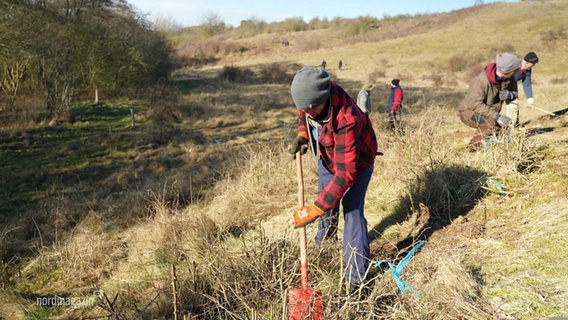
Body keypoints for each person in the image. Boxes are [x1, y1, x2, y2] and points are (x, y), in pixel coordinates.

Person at [288, 66, 378, 293]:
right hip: (329, 156)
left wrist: (315, 209)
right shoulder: (311, 95)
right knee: (326, 200)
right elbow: (303, 109)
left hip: (356, 163)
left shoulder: (347, 119)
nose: (306, 113)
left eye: (310, 109)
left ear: (322, 98)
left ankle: (356, 280)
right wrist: (302, 133)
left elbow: (346, 174)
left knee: (352, 210)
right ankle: (324, 247)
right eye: (304, 109)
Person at [458, 52, 521, 151]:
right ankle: (473, 147)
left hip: (489, 112)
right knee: (489, 124)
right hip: (469, 111)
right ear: (508, 71)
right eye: (516, 70)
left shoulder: (510, 78)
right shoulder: (479, 81)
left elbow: (515, 93)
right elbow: (475, 104)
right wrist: (497, 116)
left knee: (505, 129)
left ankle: (494, 148)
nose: (518, 72)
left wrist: (511, 95)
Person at [505, 51, 539, 127]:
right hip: (501, 84)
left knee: (514, 106)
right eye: (533, 64)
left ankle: (512, 125)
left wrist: (529, 97)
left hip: (513, 86)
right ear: (526, 62)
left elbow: (527, 83)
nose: (533, 66)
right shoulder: (513, 65)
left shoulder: (527, 70)